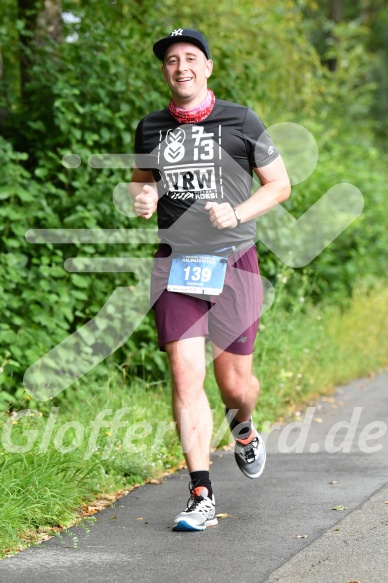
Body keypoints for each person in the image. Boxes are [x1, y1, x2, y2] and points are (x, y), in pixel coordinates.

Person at [130, 28, 290, 532]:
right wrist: (144, 198)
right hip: (176, 263)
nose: (182, 67)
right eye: (172, 60)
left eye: (191, 58)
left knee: (236, 385)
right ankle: (201, 492)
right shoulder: (151, 128)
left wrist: (238, 211)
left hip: (234, 262)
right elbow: (141, 183)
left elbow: (280, 185)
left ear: (208, 66)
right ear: (165, 71)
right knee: (184, 375)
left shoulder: (242, 120)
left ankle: (242, 427)